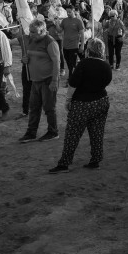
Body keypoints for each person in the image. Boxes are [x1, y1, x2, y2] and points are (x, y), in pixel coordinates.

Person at [49, 38, 113, 173]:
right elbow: (107, 81)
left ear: (89, 50)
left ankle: (64, 163)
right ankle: (96, 160)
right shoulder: (106, 66)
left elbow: (73, 84)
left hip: (82, 103)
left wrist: (67, 100)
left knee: (72, 134)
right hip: (101, 101)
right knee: (97, 132)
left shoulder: (83, 64)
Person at [18, 19, 61, 143]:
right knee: (34, 107)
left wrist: (54, 81)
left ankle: (53, 132)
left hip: (48, 80)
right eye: (30, 31)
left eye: (34, 32)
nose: (31, 34)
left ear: (43, 31)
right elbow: (29, 57)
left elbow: (56, 62)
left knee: (49, 108)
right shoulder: (31, 40)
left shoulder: (50, 42)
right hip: (35, 80)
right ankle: (31, 133)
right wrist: (25, 59)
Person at [58, 5, 85, 82]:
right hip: (65, 46)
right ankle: (77, 75)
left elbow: (82, 34)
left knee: (72, 63)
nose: (68, 13)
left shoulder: (78, 21)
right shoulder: (64, 20)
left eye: (70, 12)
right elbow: (59, 30)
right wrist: (56, 22)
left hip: (74, 46)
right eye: (67, 12)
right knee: (69, 64)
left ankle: (71, 80)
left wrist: (82, 45)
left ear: (74, 11)